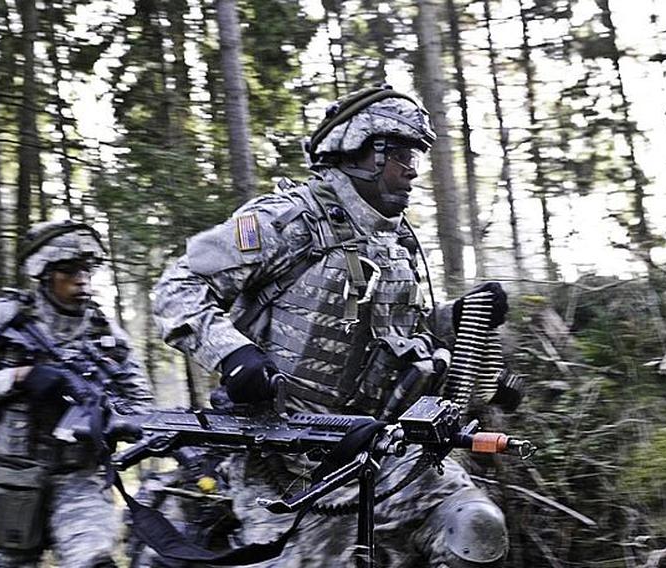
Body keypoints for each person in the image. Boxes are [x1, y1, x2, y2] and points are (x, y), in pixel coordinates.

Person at [152, 85, 511, 566]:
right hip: (286, 463)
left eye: (415, 155)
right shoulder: (288, 219)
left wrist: (458, 317)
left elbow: (399, 332)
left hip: (386, 449)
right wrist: (232, 355)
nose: (412, 168)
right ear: (361, 151)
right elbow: (177, 287)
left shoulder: (394, 239)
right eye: (400, 153)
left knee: (476, 530)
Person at [0, 219, 154, 568]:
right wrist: (19, 377)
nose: (81, 278)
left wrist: (115, 420)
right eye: (69, 270)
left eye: (87, 268)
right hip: (11, 481)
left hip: (79, 479)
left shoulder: (105, 334)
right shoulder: (2, 319)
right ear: (45, 273)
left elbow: (143, 407)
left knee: (96, 561)